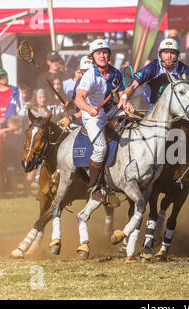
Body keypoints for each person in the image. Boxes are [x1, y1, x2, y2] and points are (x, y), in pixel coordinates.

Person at [117, 38, 189, 184]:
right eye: (165, 53)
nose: (169, 56)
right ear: (160, 54)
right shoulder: (153, 67)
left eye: (172, 53)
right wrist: (125, 97)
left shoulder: (184, 69)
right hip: (153, 112)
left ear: (177, 55)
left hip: (180, 113)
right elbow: (133, 85)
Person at [75, 39, 132, 202]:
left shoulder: (115, 72)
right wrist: (89, 109)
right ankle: (93, 188)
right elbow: (79, 99)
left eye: (105, 52)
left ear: (109, 55)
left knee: (134, 122)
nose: (102, 55)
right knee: (100, 148)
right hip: (94, 115)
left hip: (111, 110)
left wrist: (124, 101)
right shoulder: (90, 76)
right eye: (98, 53)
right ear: (93, 57)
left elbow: (121, 91)